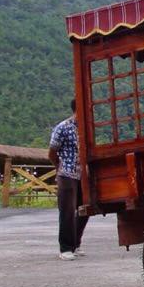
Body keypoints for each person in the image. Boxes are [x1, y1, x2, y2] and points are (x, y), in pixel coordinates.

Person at [49, 99, 88, 260]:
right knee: (67, 211)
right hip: (67, 174)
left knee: (85, 209)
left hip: (82, 174)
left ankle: (75, 243)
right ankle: (65, 248)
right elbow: (52, 152)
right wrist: (60, 167)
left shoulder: (85, 128)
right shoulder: (63, 127)